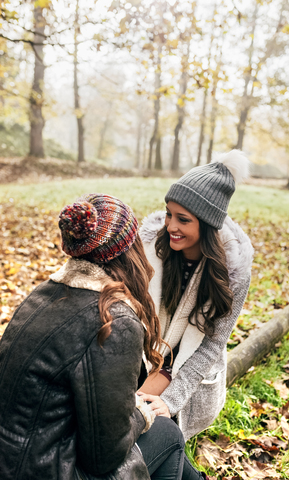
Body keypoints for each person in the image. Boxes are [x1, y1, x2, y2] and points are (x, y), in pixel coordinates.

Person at [0, 193, 199, 480]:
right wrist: (141, 413)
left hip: (16, 460)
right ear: (130, 249)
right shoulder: (113, 320)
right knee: (166, 431)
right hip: (47, 469)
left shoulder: (41, 296)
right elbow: (104, 457)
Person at [138, 150, 254, 442]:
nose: (170, 226)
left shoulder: (231, 273)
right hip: (147, 349)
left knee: (140, 413)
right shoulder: (152, 250)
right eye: (168, 214)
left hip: (187, 365)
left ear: (207, 223)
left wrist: (171, 399)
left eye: (183, 219)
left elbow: (212, 345)